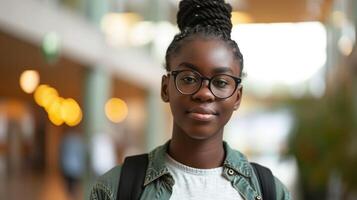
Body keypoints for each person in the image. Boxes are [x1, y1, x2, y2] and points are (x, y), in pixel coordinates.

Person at [90, 0, 291, 199]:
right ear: (165, 88)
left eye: (221, 82)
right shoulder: (115, 189)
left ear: (237, 97)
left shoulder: (268, 190)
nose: (204, 93)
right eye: (188, 78)